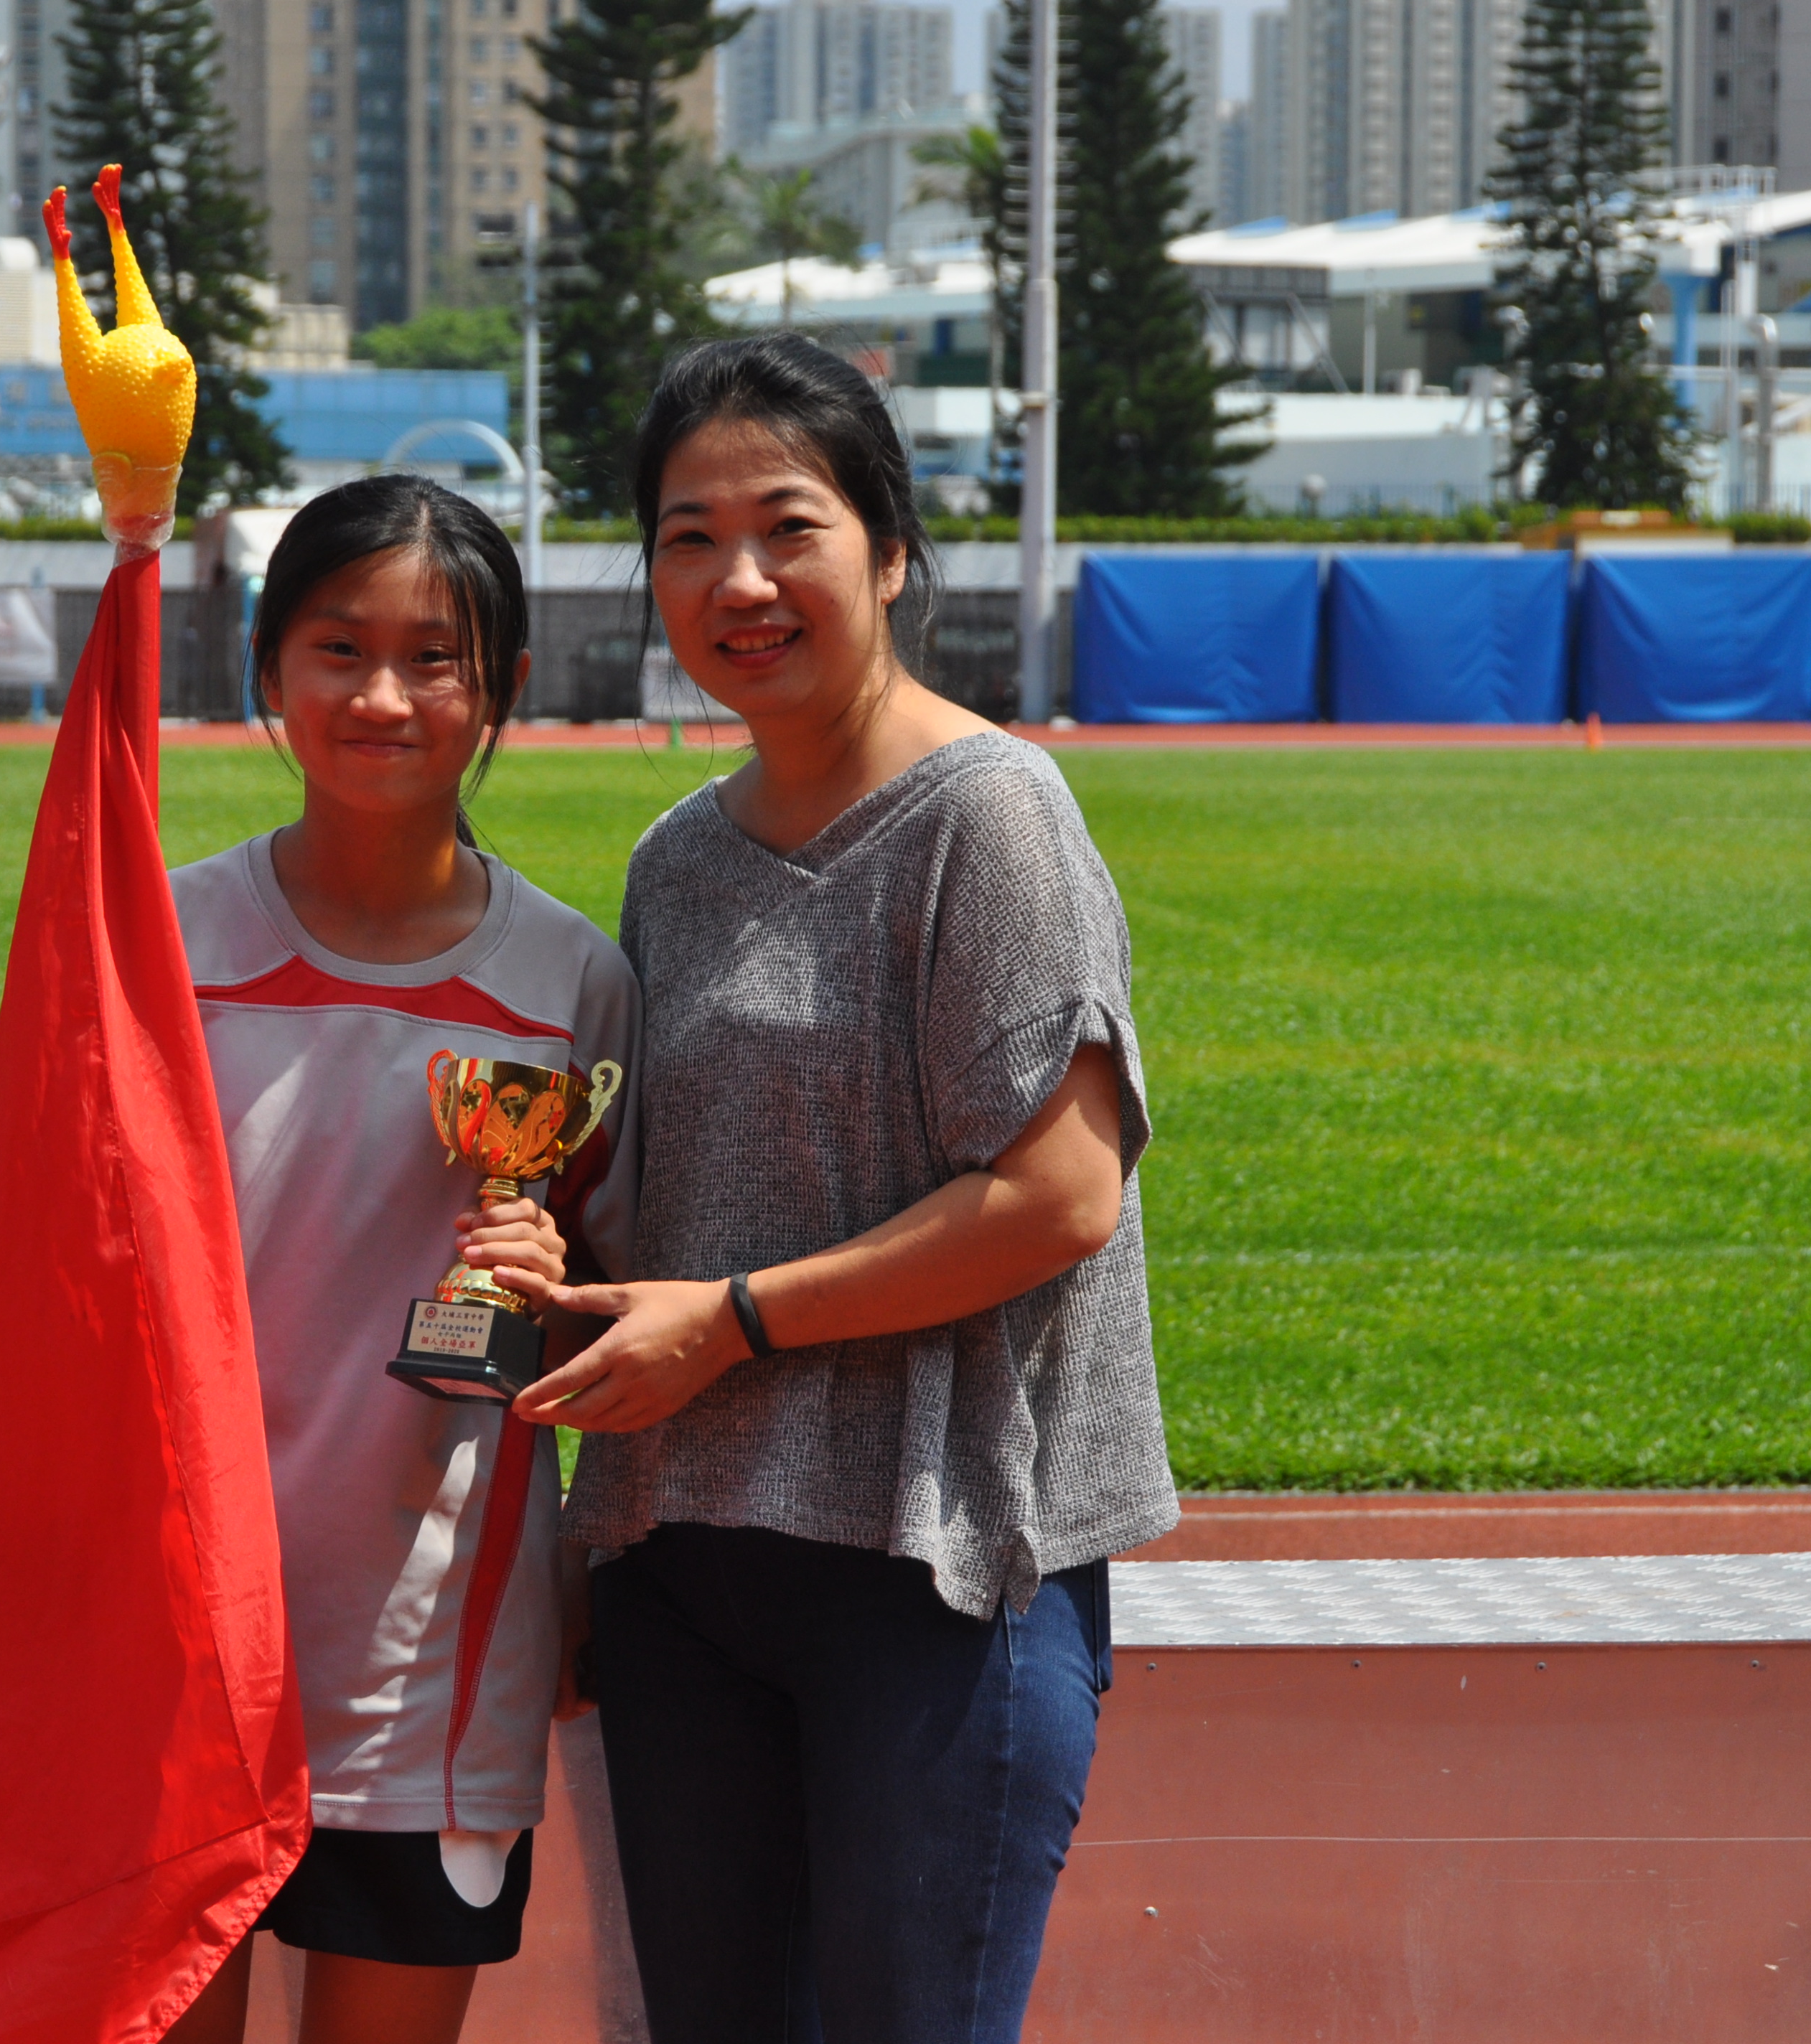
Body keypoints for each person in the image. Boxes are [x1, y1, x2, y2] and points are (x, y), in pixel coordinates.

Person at [503, 334, 1176, 2044]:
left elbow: (1056, 1197)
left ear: (886, 548)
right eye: (686, 537)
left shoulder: (988, 818)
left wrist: (729, 1324)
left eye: (785, 526)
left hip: (930, 1565)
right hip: (683, 1570)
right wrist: (545, 1260)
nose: (736, 581)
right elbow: (673, 1213)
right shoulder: (675, 859)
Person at [164, 474, 637, 2044]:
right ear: (264, 666)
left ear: (503, 686)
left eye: (435, 657)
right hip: (172, 1650)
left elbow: (621, 1329)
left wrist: (544, 1284)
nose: (382, 696)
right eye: (338, 647)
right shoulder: (161, 943)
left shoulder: (570, 981)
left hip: (425, 1671)